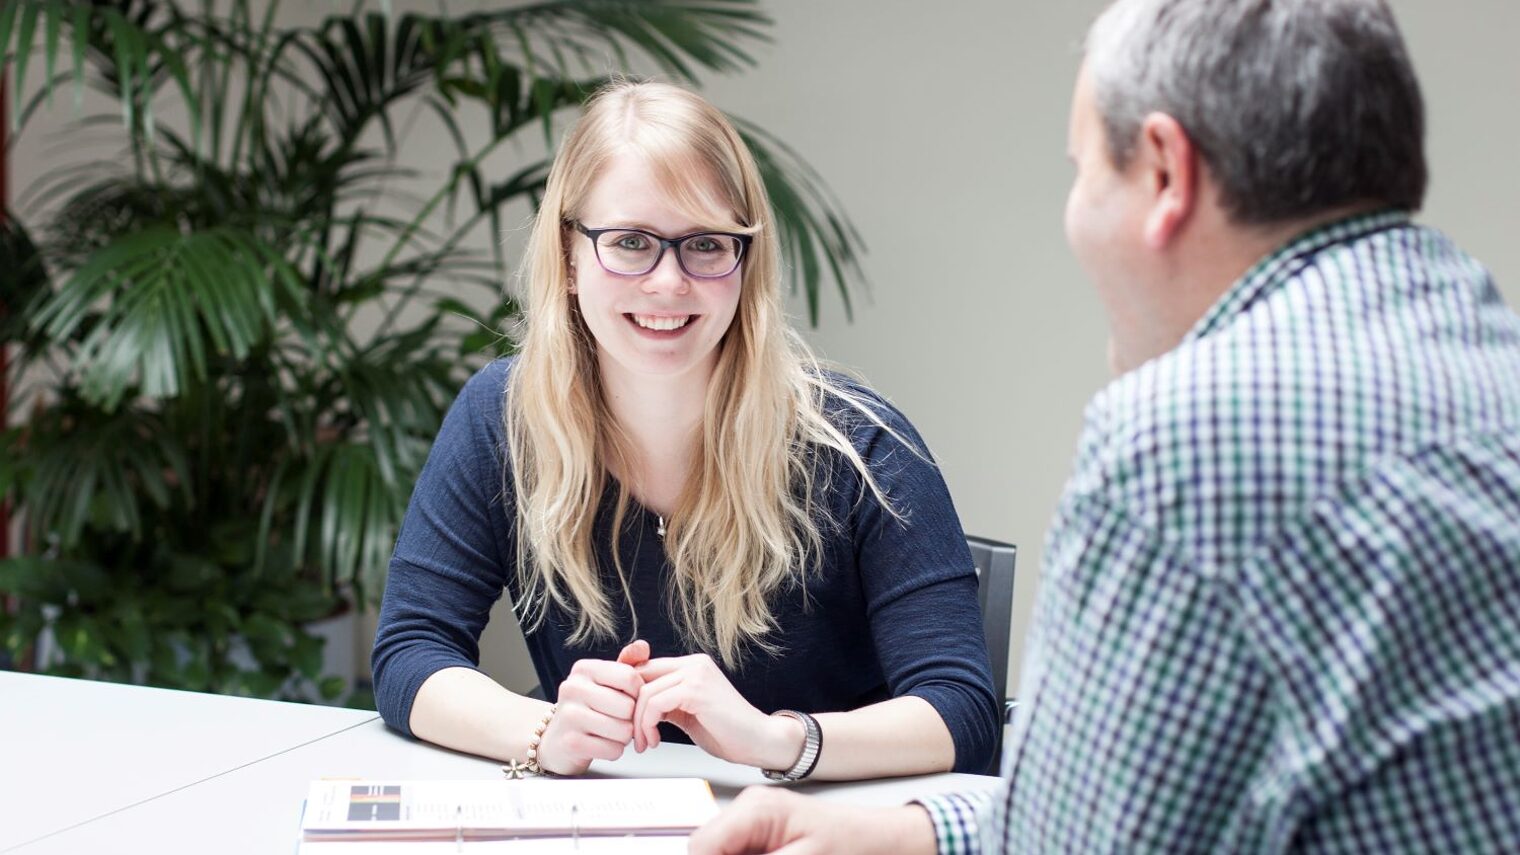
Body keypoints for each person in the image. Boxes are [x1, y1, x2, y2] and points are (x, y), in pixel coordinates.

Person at [689, 0, 1520, 851]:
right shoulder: (1486, 356)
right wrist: (897, 833)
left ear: (1164, 171)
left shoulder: (1189, 437)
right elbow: (1106, 796)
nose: (1075, 212)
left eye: (1084, 171)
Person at [370, 80, 1000, 783]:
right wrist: (545, 729)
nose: (669, 282)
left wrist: (773, 740)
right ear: (570, 256)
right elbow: (410, 650)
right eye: (631, 242)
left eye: (705, 243)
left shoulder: (863, 446)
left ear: (744, 261)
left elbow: (961, 709)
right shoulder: (502, 417)